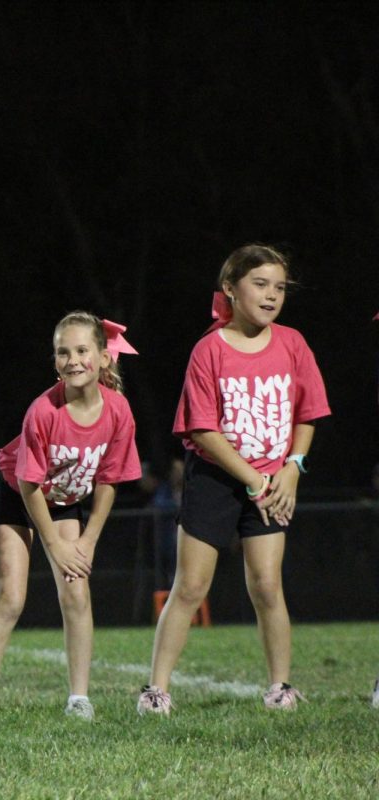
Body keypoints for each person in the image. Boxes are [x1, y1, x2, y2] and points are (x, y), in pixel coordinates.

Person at [139, 244, 330, 716]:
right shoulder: (209, 349)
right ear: (231, 289)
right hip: (217, 480)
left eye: (279, 287)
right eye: (260, 284)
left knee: (267, 585)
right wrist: (254, 480)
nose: (271, 296)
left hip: (272, 480)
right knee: (190, 587)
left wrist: (293, 468)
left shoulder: (292, 343)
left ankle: (280, 686)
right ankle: (156, 690)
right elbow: (203, 428)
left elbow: (307, 413)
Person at [0, 312, 141, 723]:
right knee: (10, 597)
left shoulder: (118, 412)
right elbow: (28, 486)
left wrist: (88, 540)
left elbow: (110, 480)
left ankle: (79, 698)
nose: (73, 360)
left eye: (82, 350)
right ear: (54, 360)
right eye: (63, 352)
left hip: (66, 500)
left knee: (76, 592)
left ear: (103, 357)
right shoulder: (42, 411)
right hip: (19, 497)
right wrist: (55, 545)